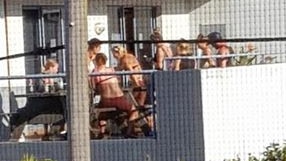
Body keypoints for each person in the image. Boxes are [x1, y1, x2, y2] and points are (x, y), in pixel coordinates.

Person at [10, 58, 65, 140]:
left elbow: (59, 89)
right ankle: (16, 131)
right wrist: (45, 84)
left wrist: (54, 85)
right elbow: (38, 90)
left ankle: (54, 133)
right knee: (25, 114)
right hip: (41, 103)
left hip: (51, 104)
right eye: (56, 68)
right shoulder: (41, 77)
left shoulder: (57, 78)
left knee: (25, 113)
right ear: (51, 67)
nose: (57, 70)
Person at [91, 53, 139, 138]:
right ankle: (129, 131)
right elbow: (123, 67)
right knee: (134, 111)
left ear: (96, 61)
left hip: (106, 99)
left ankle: (102, 133)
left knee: (102, 113)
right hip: (118, 98)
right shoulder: (112, 70)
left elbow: (94, 88)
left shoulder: (94, 73)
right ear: (105, 61)